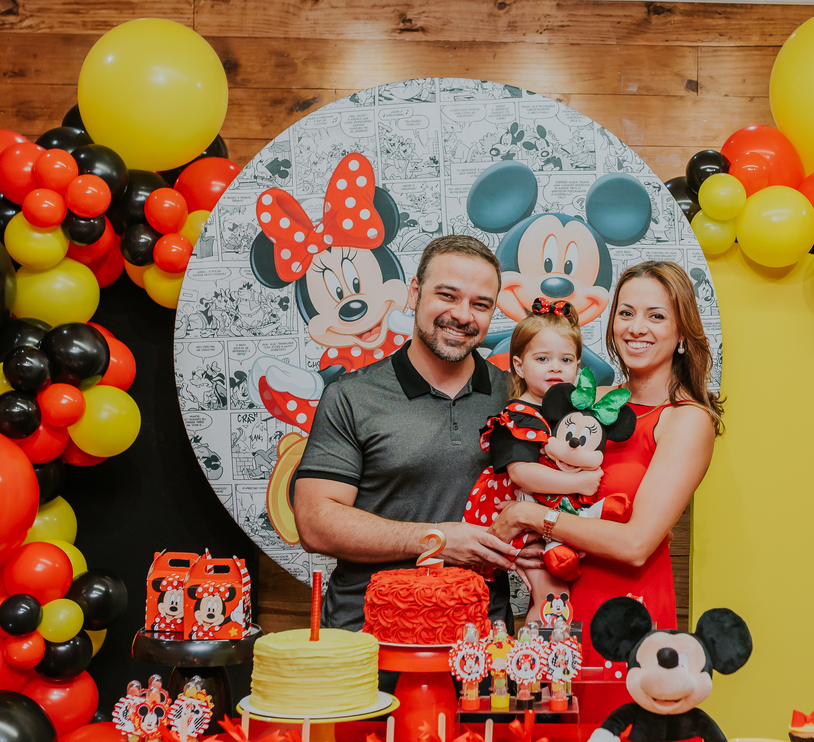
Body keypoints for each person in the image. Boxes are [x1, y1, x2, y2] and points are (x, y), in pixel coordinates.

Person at [292, 235, 543, 635]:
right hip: (369, 633)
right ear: (413, 293)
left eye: (481, 304)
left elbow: (546, 494)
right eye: (447, 295)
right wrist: (436, 538)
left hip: (479, 637)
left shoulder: (515, 398)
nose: (462, 315)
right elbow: (314, 522)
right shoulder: (352, 396)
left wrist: (536, 538)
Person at [489, 260, 724, 663]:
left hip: (625, 612)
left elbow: (635, 544)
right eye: (626, 313)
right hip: (553, 605)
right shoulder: (589, 400)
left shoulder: (685, 420)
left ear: (682, 332)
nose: (636, 327)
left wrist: (531, 519)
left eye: (656, 316)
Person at [462, 298, 602, 626]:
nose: (555, 367)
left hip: (543, 520)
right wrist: (578, 483)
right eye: (542, 359)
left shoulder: (568, 418)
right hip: (510, 517)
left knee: (553, 592)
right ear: (519, 366)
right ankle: (539, 665)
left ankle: (537, 658)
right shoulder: (518, 417)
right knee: (553, 596)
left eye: (565, 359)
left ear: (577, 368)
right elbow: (522, 473)